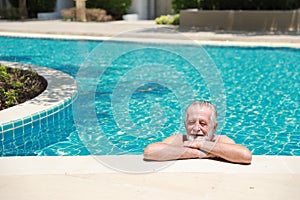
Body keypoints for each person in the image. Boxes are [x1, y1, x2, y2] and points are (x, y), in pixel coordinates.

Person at [143, 101, 252, 164]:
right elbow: (150, 152)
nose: (196, 128)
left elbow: (245, 156)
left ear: (214, 127)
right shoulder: (179, 139)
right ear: (185, 125)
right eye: (191, 122)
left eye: (203, 123)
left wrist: (202, 145)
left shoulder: (221, 140)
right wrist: (197, 153)